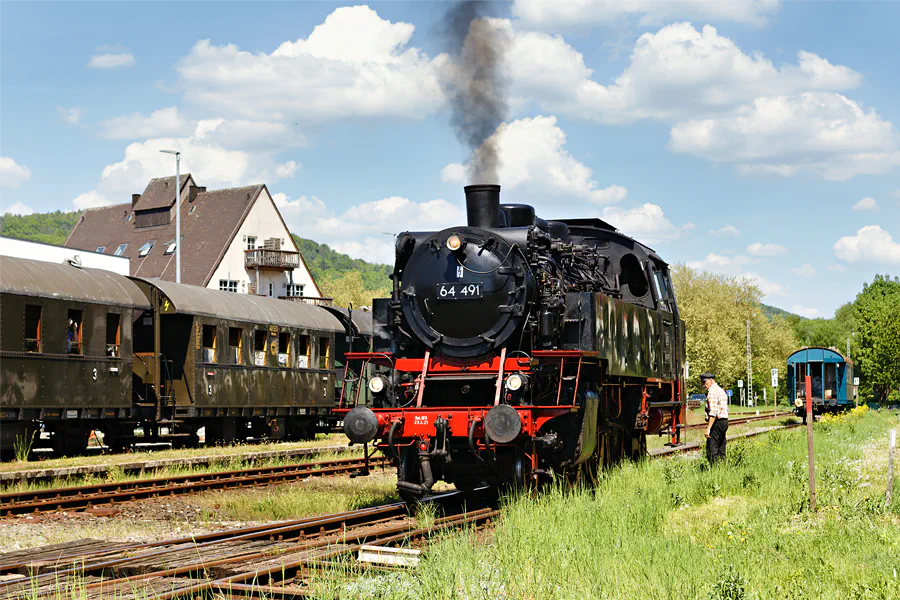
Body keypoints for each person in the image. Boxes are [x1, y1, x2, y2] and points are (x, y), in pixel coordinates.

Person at [702, 372, 729, 463]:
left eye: (704, 382)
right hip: (724, 421)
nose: (703, 385)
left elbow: (713, 412)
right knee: (721, 446)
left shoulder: (712, 393)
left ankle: (714, 467)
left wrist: (708, 428)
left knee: (711, 448)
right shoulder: (721, 391)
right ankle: (722, 466)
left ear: (711, 380)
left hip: (717, 422)